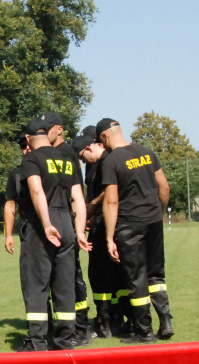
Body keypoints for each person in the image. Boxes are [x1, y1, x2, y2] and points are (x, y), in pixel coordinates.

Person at [16, 119, 90, 351]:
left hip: (42, 225)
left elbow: (36, 190)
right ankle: (65, 341)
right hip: (67, 221)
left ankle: (38, 342)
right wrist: (79, 231)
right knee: (64, 284)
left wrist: (46, 223)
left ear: (28, 139)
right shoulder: (68, 159)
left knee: (36, 284)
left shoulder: (31, 158)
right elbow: (78, 197)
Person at [98, 117, 174, 343]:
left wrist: (109, 237)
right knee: (156, 274)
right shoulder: (147, 152)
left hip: (129, 225)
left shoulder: (111, 161)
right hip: (153, 221)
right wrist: (158, 212)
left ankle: (144, 332)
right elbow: (164, 186)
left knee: (136, 278)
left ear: (104, 136)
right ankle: (166, 321)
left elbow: (111, 202)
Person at [41, 111, 94, 345]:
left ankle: (82, 327)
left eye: (47, 129)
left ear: (59, 129)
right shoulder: (53, 153)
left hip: (68, 221)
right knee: (59, 278)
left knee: (72, 278)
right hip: (58, 221)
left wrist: (78, 224)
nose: (43, 134)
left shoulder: (66, 153)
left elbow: (76, 192)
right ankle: (67, 327)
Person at [72, 128, 129, 339]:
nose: (84, 162)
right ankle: (113, 318)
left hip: (107, 223)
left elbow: (108, 191)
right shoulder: (96, 165)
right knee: (107, 275)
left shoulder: (107, 162)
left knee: (102, 274)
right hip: (101, 223)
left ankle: (108, 320)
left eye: (82, 157)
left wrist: (92, 207)